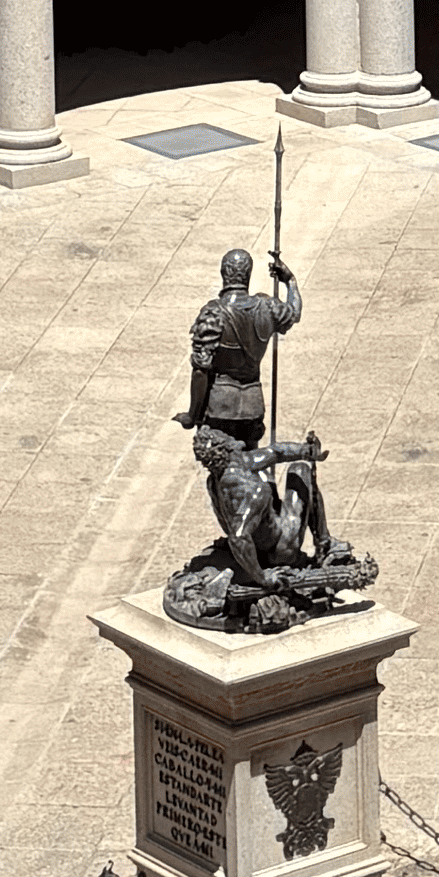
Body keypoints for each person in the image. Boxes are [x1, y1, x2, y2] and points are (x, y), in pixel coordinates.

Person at [174, 243, 368, 620]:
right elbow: (293, 312)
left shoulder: (213, 314)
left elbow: (201, 369)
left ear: (224, 275)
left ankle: (253, 534)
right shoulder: (265, 307)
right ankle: (261, 531)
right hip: (253, 404)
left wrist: (193, 414)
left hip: (221, 407)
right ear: (247, 276)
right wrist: (290, 281)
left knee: (230, 474)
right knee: (251, 465)